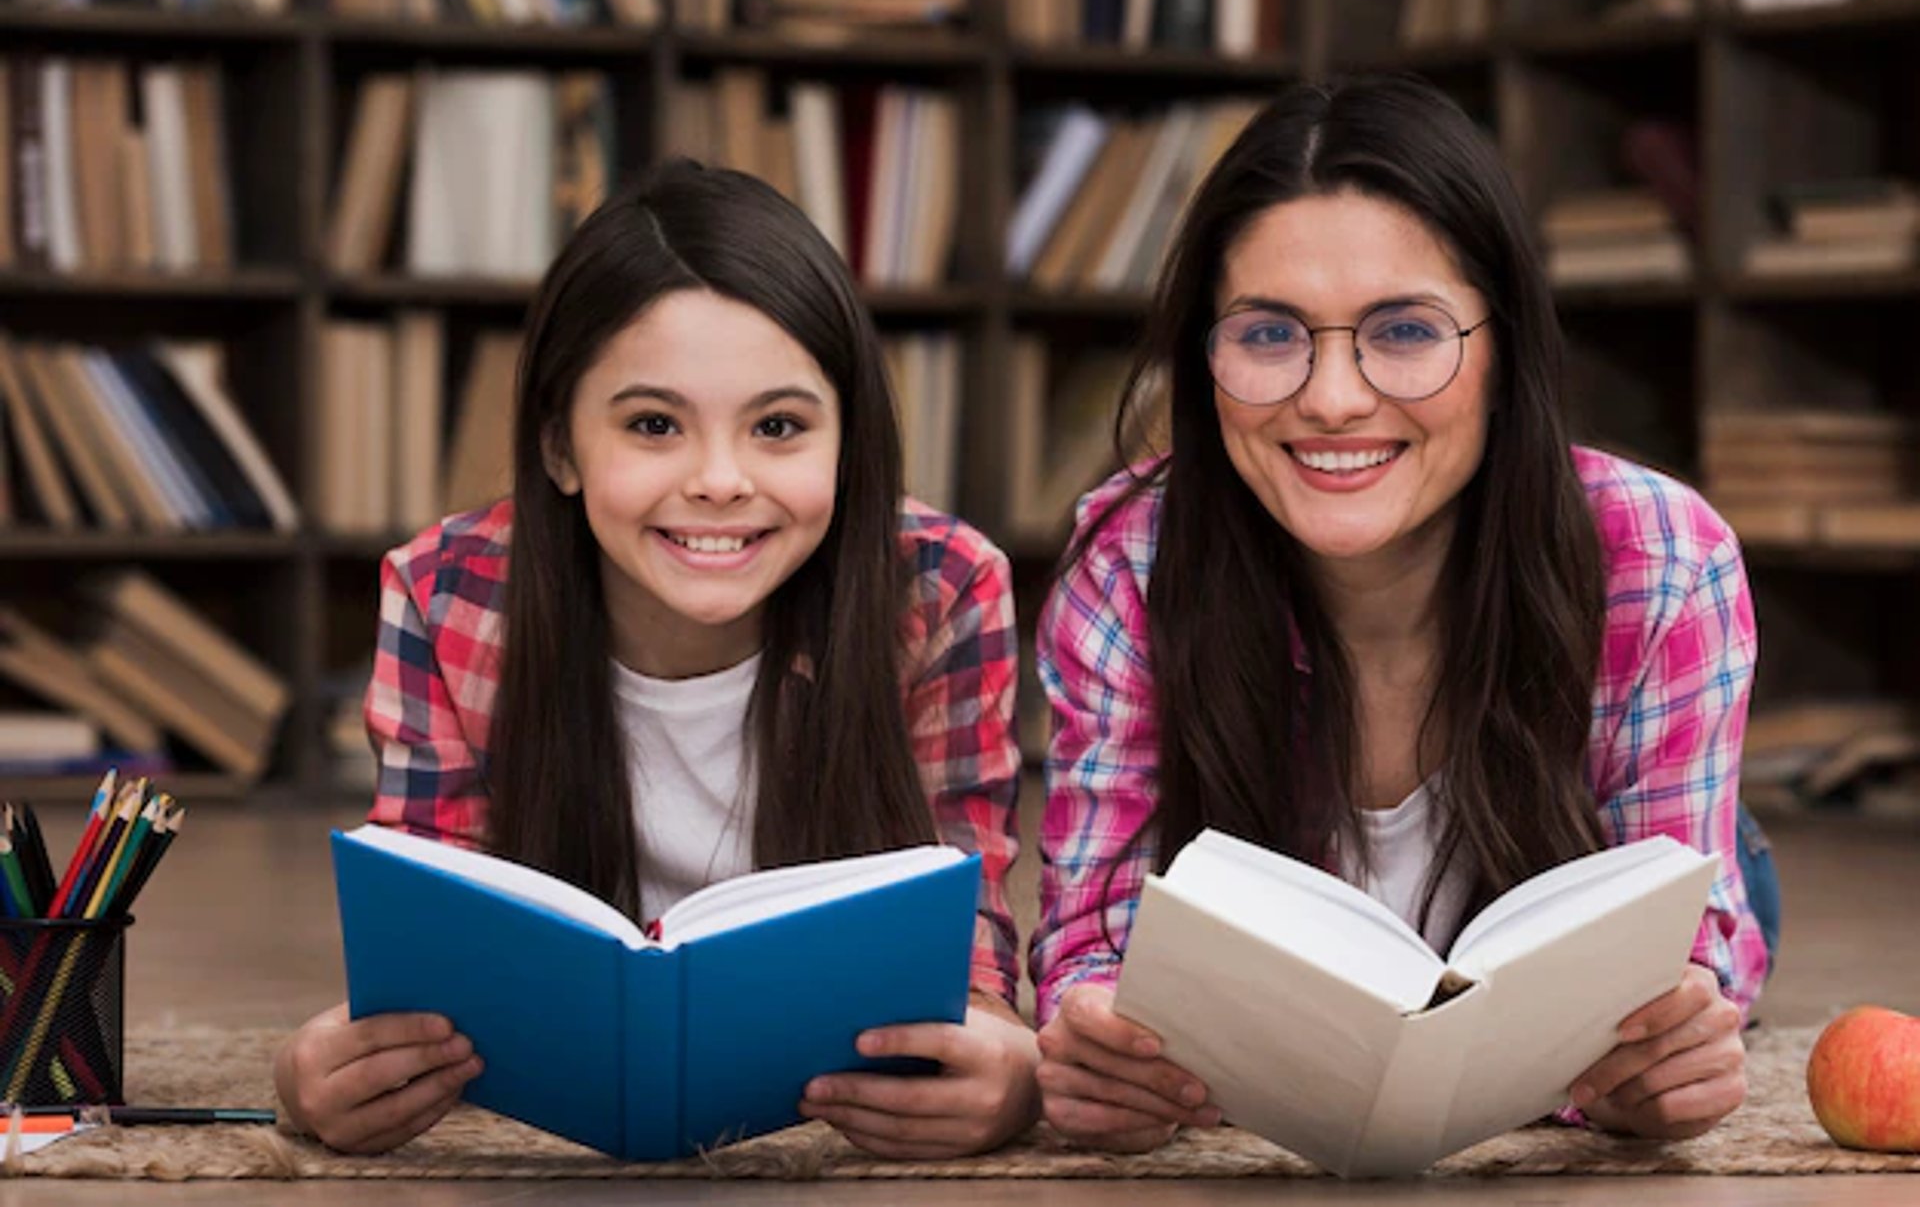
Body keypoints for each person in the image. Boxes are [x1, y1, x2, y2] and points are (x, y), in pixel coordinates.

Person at [1030, 76, 1775, 1154]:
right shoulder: (1129, 560)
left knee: (1736, 908)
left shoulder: (1662, 557)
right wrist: (1102, 1035)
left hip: (1598, 827)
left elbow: (1686, 952)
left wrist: (1664, 1048)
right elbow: (1093, 935)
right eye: (1270, 334)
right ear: (1204, 357)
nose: (1332, 397)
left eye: (1406, 330)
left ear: (1504, 348)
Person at [273, 162, 1037, 1158]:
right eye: (652, 425)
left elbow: (968, 953)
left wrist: (1009, 1069)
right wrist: (323, 1078)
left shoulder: (938, 590)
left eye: (778, 427)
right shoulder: (446, 594)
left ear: (848, 443)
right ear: (560, 446)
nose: (719, 480)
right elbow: (431, 937)